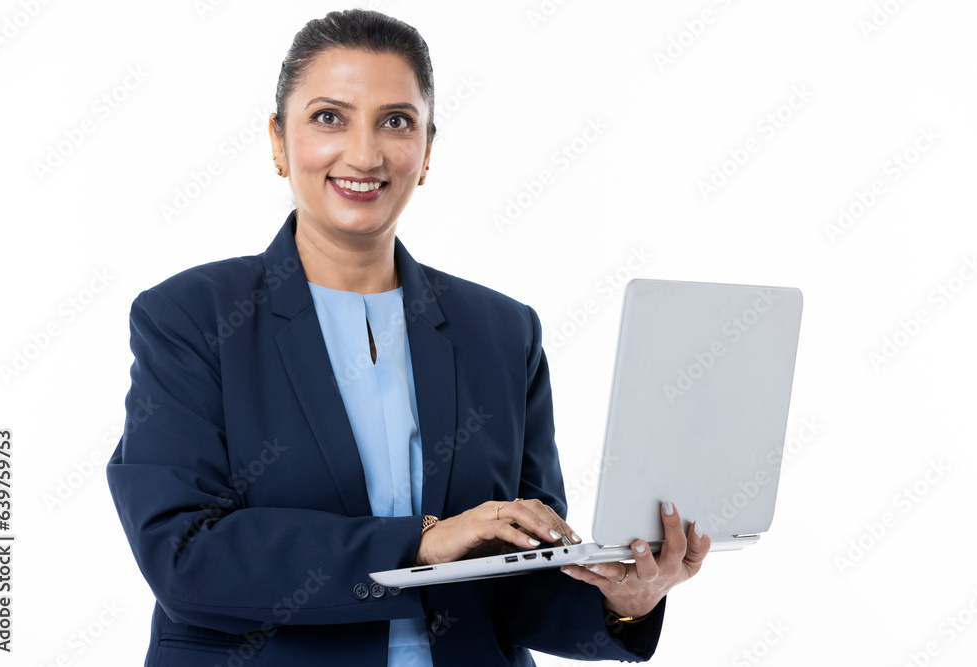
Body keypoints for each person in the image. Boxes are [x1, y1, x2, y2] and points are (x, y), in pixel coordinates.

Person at [106, 9, 710, 666]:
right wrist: (419, 543)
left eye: (396, 121)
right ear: (278, 141)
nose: (364, 153)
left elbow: (518, 585)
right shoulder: (190, 317)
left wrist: (628, 597)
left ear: (425, 151)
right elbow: (184, 554)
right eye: (329, 117)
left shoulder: (502, 332)